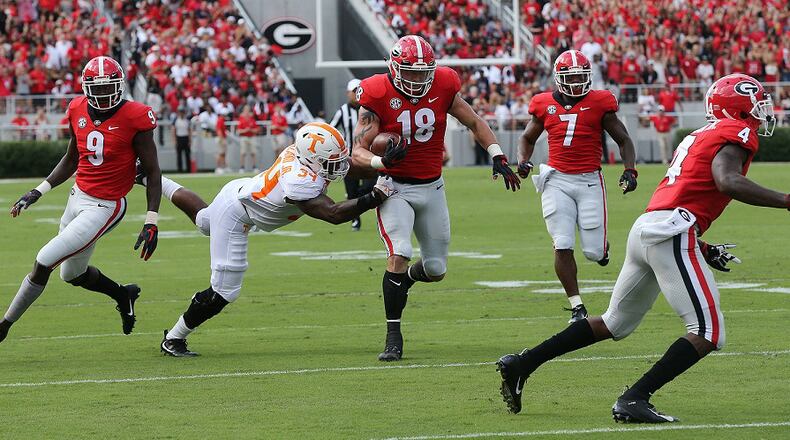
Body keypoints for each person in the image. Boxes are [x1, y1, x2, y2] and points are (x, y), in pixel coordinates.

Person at [496, 73, 786, 422]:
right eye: (756, 104)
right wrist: (785, 200)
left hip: (650, 227)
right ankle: (634, 398)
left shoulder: (699, 135)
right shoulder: (735, 133)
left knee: (614, 322)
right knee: (708, 331)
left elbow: (685, 194)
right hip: (670, 232)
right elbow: (728, 180)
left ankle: (522, 363)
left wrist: (702, 245)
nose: (761, 111)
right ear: (738, 108)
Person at [140, 123, 397, 356]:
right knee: (225, 290)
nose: (339, 167)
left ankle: (151, 178)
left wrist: (379, 163)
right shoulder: (297, 180)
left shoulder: (305, 156)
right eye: (331, 162)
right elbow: (333, 214)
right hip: (237, 213)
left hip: (241, 192)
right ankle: (173, 338)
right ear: (311, 160)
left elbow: (345, 165)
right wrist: (373, 198)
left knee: (203, 220)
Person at [352, 35, 521, 362]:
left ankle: (407, 280)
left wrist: (497, 154)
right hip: (394, 186)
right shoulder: (377, 91)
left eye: (423, 72)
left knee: (436, 269)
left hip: (432, 187)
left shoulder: (443, 83)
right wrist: (380, 162)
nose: (418, 79)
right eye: (411, 73)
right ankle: (393, 335)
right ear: (395, 67)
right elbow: (357, 149)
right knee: (399, 252)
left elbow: (473, 120)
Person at [0, 56, 162, 343]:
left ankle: (4, 326)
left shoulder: (135, 116)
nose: (101, 95)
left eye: (107, 88)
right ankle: (123, 294)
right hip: (77, 197)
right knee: (72, 275)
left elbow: (152, 170)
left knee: (43, 261)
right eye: (96, 89)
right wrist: (39, 190)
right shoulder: (76, 108)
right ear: (86, 88)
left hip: (105, 206)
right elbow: (71, 158)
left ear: (119, 86)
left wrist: (151, 220)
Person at [516, 49, 638, 323]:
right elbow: (527, 137)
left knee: (593, 252)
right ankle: (577, 306)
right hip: (556, 179)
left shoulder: (600, 102)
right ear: (558, 78)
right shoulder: (544, 104)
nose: (576, 83)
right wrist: (523, 161)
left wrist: (630, 170)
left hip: (589, 181)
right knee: (562, 243)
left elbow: (624, 139)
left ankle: (602, 249)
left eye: (581, 77)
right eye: (570, 77)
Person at [331, 78, 375, 231]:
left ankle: (357, 198)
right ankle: (355, 219)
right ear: (348, 93)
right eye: (354, 91)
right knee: (351, 191)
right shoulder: (342, 111)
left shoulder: (370, 108)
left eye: (359, 90)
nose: (357, 94)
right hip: (348, 158)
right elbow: (330, 130)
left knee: (370, 186)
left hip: (368, 156)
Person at [237, 105, 259, 172]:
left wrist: (251, 130)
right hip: (244, 137)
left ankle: (255, 167)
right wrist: (246, 130)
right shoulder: (241, 119)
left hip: (252, 137)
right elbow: (239, 131)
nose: (247, 111)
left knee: (254, 152)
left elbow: (257, 129)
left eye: (248, 109)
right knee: (243, 153)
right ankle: (242, 167)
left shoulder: (252, 119)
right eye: (246, 109)